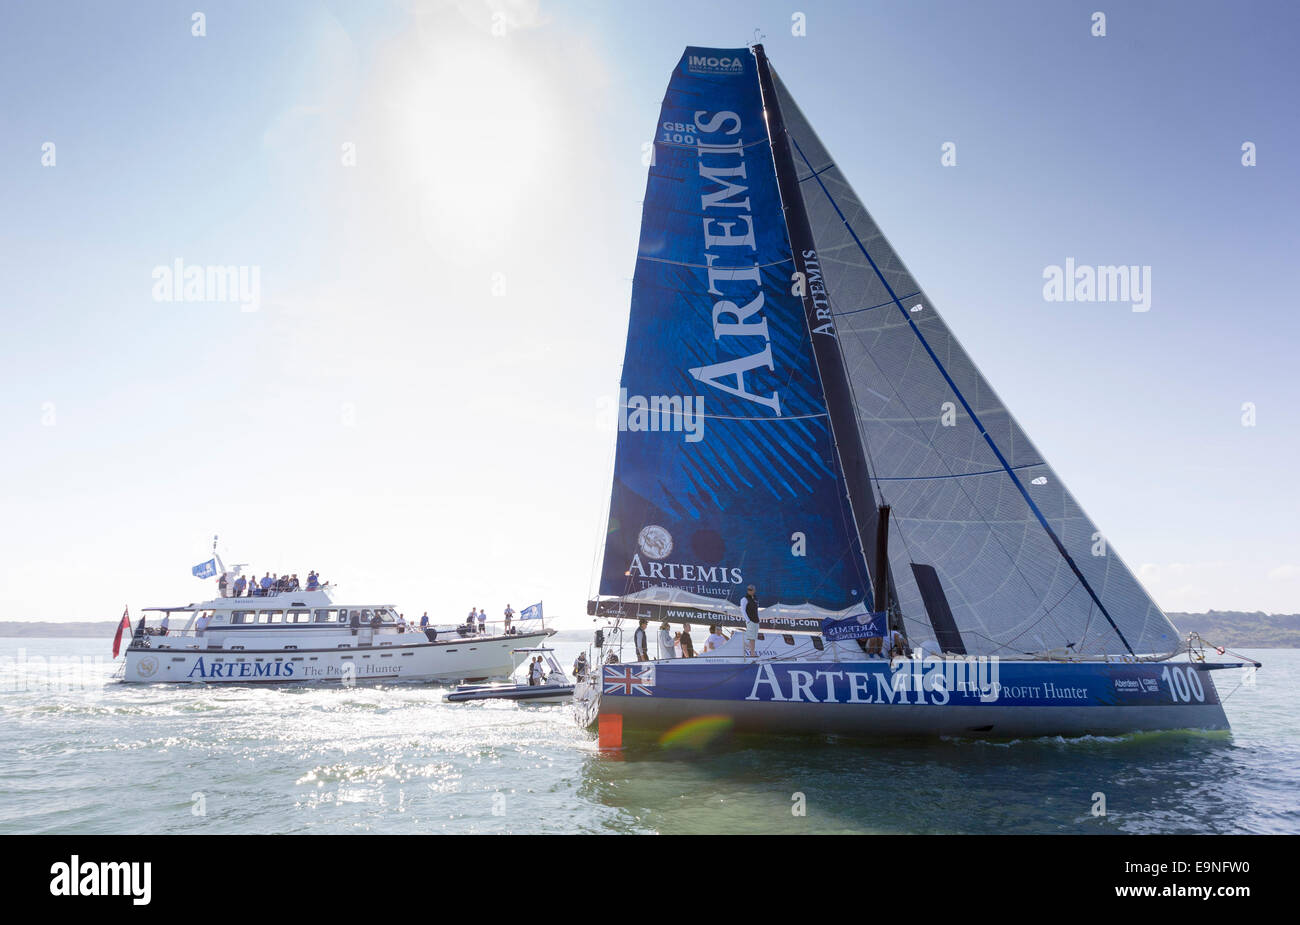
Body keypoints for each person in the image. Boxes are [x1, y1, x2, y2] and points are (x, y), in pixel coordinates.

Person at [743, 585, 760, 657]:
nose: (750, 591)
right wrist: (748, 621)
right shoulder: (744, 599)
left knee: (754, 638)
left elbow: (756, 610)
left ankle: (750, 650)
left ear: (754, 590)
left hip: (756, 620)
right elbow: (743, 610)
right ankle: (752, 654)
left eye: (751, 590)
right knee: (752, 638)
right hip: (750, 621)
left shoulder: (755, 598)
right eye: (749, 590)